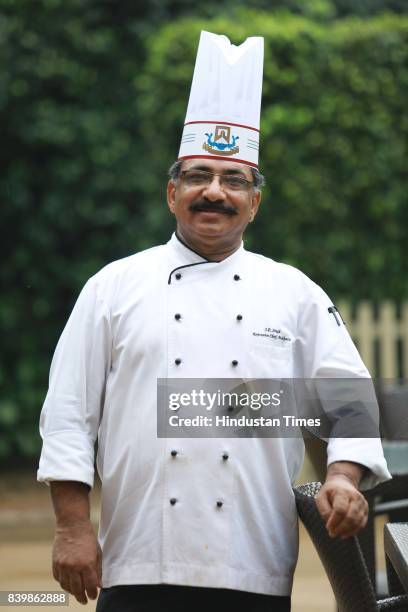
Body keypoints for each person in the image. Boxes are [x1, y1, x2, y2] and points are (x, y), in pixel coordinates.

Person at [38, 31, 390, 611]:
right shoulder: (113, 286)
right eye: (199, 177)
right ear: (172, 192)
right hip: (138, 554)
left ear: (255, 202)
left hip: (253, 559)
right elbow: (70, 413)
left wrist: (344, 477)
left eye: (234, 181)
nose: (215, 192)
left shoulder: (293, 292)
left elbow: (348, 398)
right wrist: (72, 529)